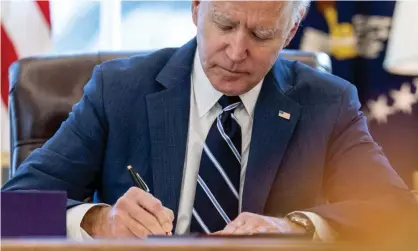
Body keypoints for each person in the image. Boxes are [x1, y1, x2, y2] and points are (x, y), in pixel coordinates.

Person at [2, 0, 417, 242]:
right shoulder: (119, 89)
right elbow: (11, 209)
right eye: (225, 24)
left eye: (261, 35)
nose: (237, 51)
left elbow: (398, 211)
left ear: (290, 32)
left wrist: (294, 227)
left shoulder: (327, 102)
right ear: (197, 8)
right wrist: (98, 220)